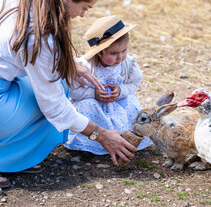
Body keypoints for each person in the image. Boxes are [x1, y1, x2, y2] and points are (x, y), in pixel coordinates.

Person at [0, 0, 137, 188]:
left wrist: (68, 63)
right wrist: (101, 134)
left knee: (58, 82)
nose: (82, 15)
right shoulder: (40, 35)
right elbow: (55, 108)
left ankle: (13, 153)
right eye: (85, 8)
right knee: (59, 93)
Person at [64, 15, 153, 154]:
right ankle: (91, 143)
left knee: (131, 100)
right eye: (114, 53)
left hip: (118, 104)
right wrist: (92, 93)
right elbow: (72, 90)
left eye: (124, 51)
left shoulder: (128, 64)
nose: (120, 57)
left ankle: (127, 138)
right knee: (86, 106)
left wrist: (121, 90)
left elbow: (135, 82)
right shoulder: (85, 67)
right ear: (99, 52)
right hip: (96, 107)